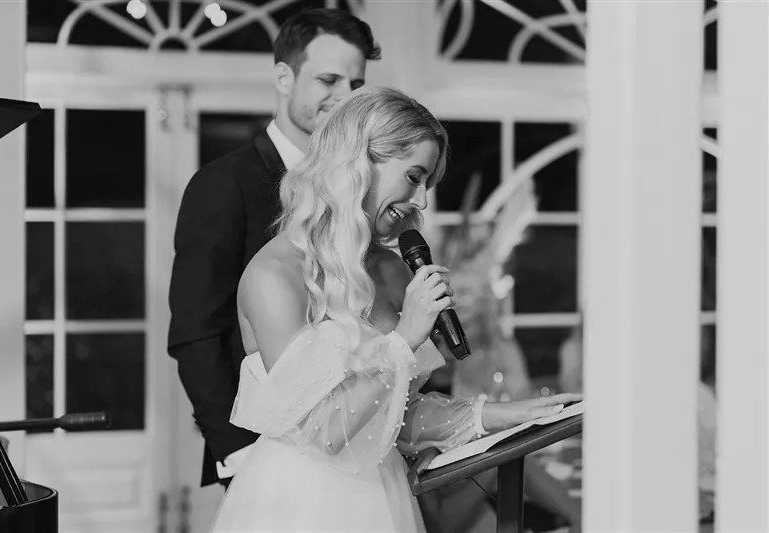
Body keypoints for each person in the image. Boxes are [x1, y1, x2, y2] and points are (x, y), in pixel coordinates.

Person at [209, 86, 580, 532]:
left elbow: (396, 415)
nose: (421, 200)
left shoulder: (388, 269)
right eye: (414, 177)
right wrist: (404, 338)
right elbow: (325, 431)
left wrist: (504, 415)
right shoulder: (275, 276)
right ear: (359, 163)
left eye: (427, 184)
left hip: (384, 498)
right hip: (301, 504)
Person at [167, 8, 381, 488]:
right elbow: (196, 335)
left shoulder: (358, 188)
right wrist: (237, 453)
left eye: (356, 83)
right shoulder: (224, 183)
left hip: (352, 440)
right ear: (284, 77)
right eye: (328, 79)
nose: (345, 97)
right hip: (260, 450)